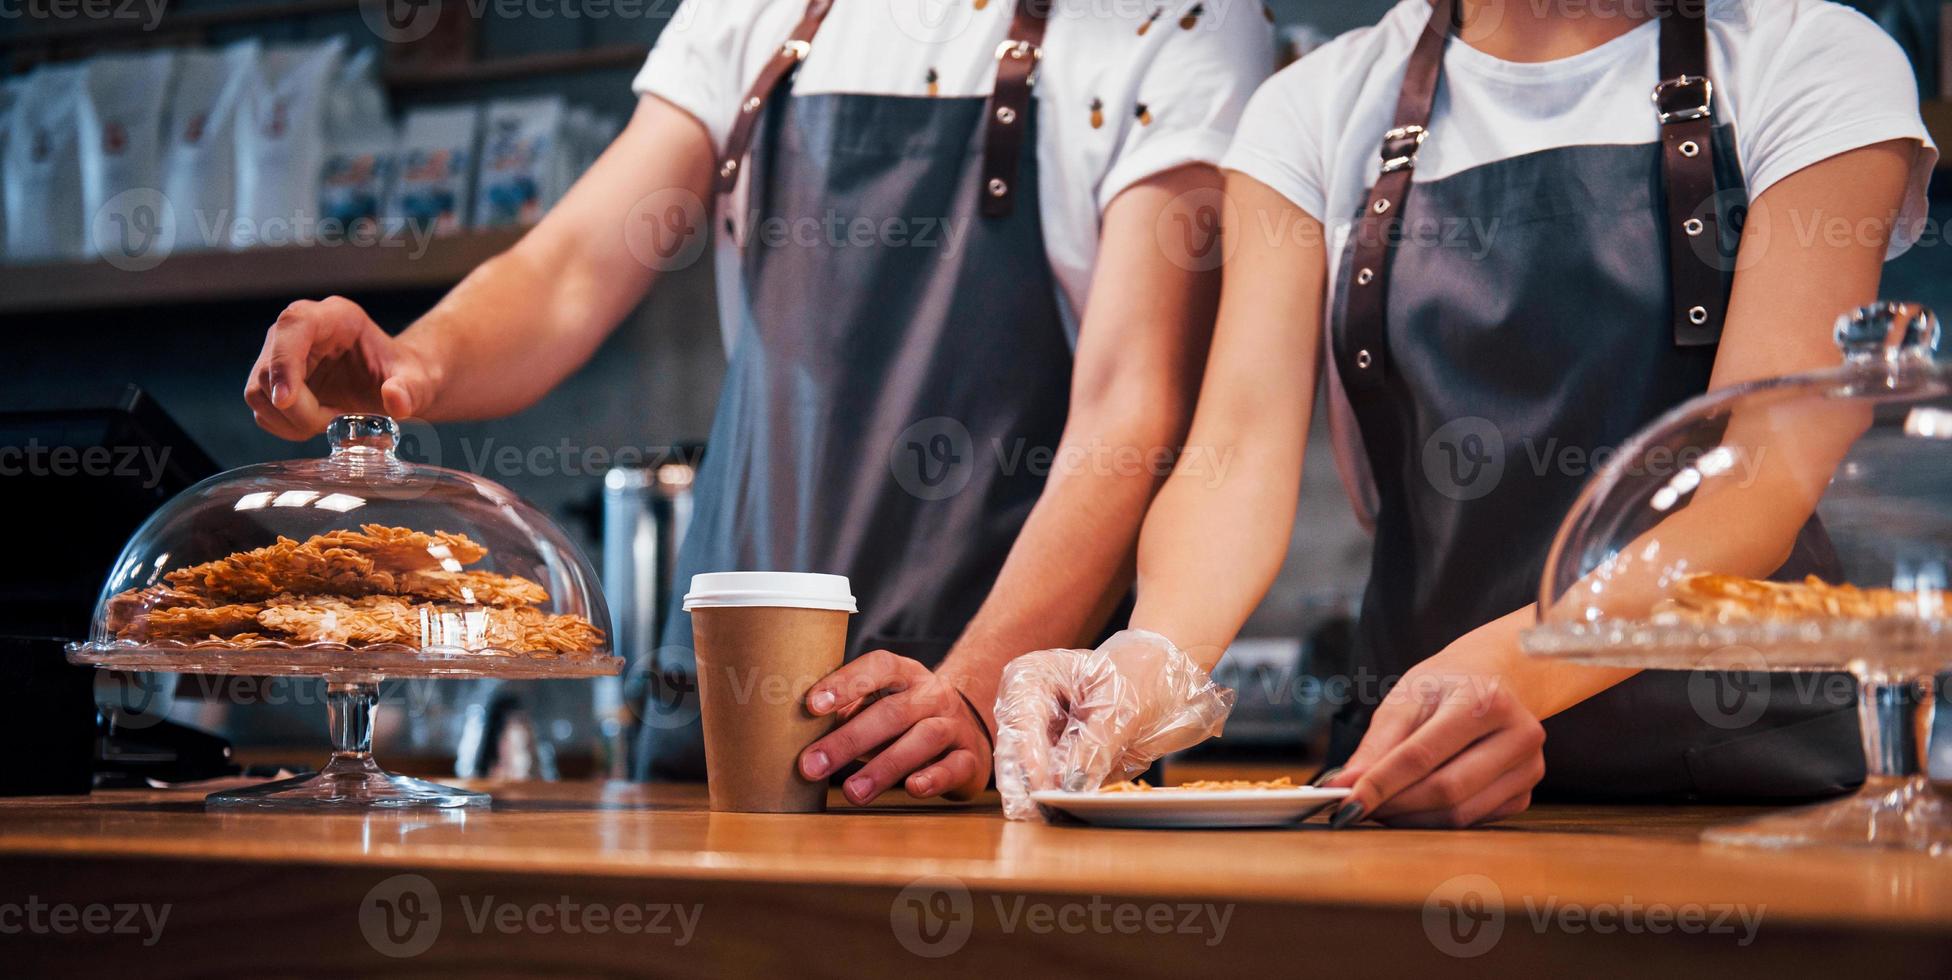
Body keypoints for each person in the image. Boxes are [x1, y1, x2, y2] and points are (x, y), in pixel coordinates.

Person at [243, 0, 1272, 800]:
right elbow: (566, 270)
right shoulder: (764, 14)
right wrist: (404, 360)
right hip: (720, 726)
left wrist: (973, 689)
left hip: (990, 757)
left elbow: (1134, 408)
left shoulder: (1180, 22)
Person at [992, 0, 1936, 824]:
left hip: (1741, 800)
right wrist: (1145, 660)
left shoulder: (1811, 58)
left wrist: (1510, 671)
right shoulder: (1314, 106)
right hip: (1409, 791)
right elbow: (1235, 453)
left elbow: (1756, 476)